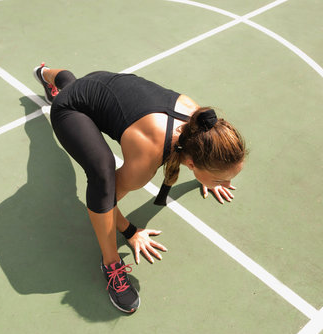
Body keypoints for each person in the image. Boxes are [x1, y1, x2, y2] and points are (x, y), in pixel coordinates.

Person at [33, 63, 247, 313]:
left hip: (100, 80)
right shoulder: (147, 159)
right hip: (71, 109)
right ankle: (110, 263)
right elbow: (106, 202)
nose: (228, 184)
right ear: (192, 163)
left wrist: (212, 177)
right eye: (222, 180)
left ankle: (44, 73)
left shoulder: (202, 125)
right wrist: (130, 230)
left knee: (73, 85)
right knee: (103, 173)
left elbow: (201, 156)